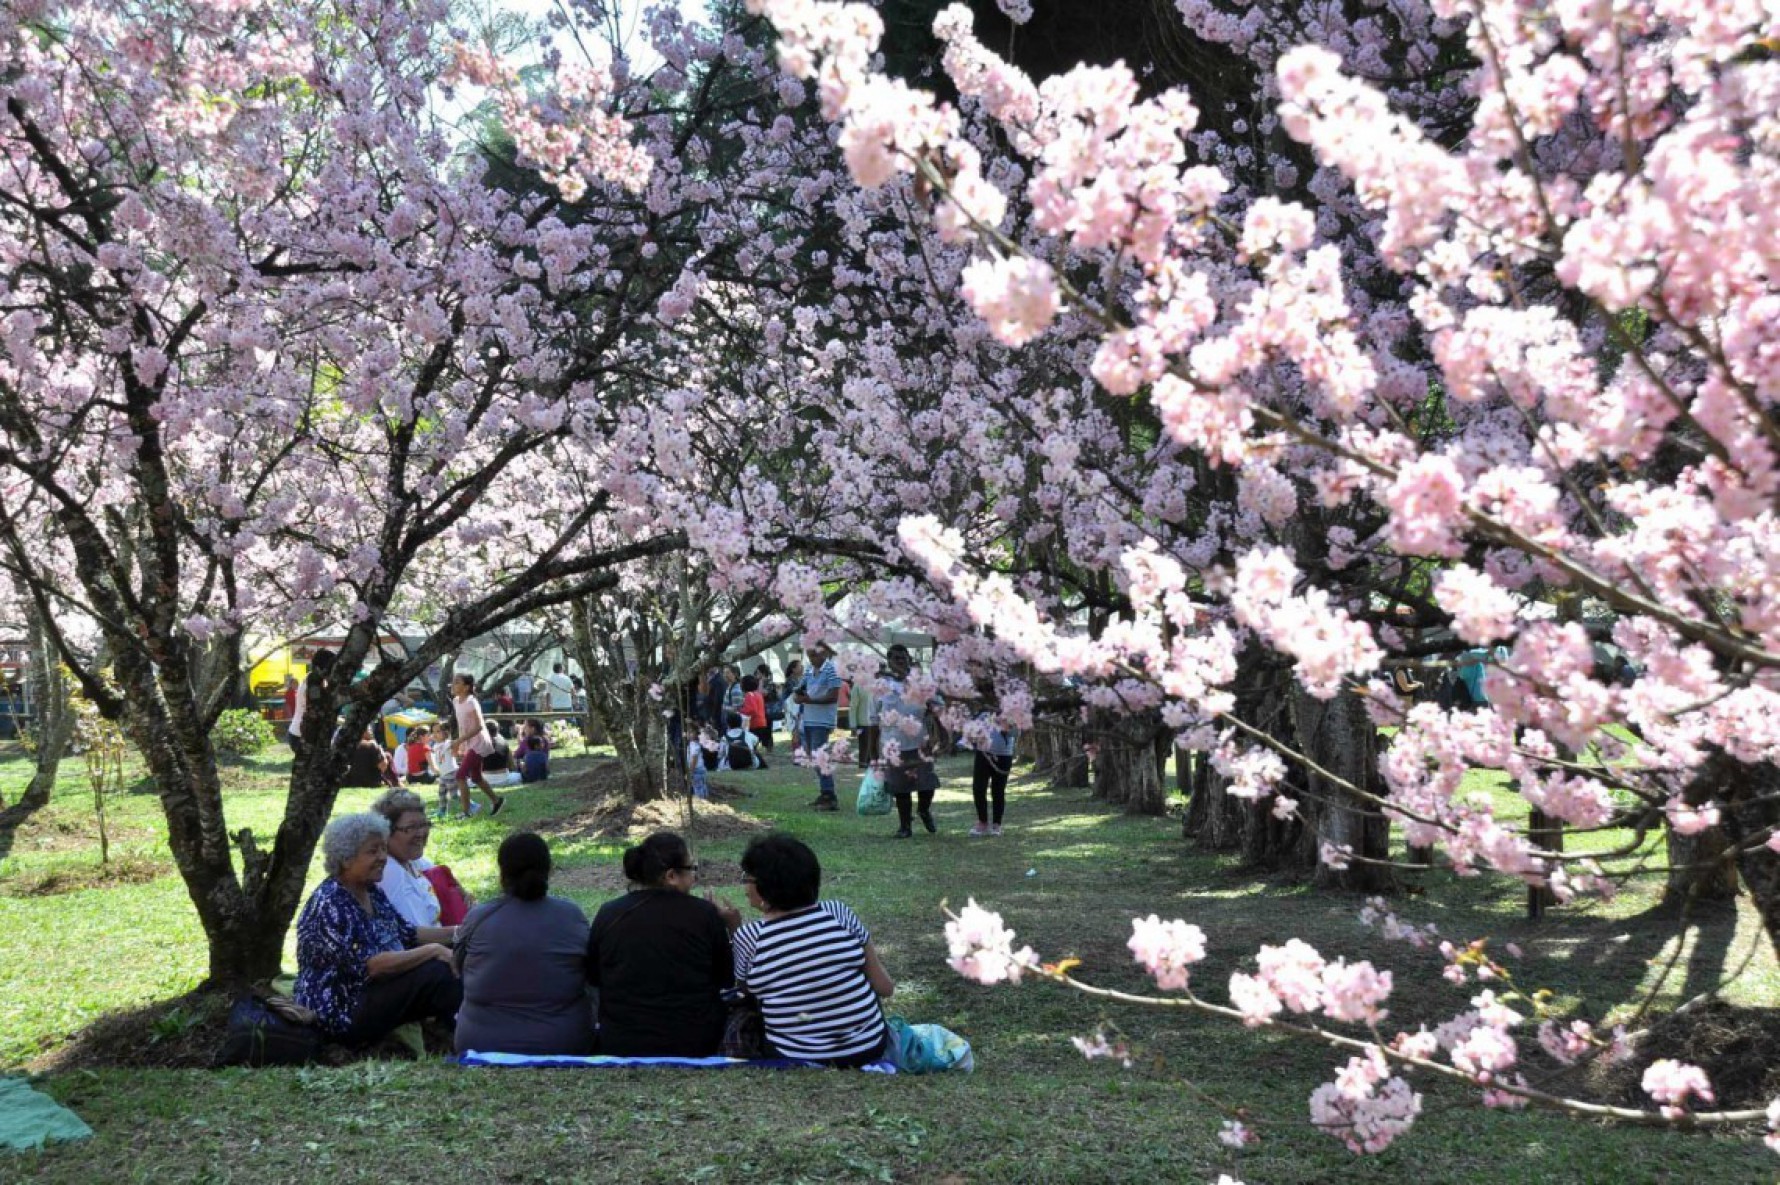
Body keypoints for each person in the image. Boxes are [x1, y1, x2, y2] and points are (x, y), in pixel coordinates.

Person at [294, 813, 462, 1047]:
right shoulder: (331, 903)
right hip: (342, 1010)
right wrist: (433, 950)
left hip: (374, 992)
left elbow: (407, 933)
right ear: (346, 859)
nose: (382, 857)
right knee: (437, 972)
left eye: (383, 849)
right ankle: (470, 1037)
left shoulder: (370, 890)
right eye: (373, 851)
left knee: (464, 952)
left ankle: (461, 1030)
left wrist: (461, 933)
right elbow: (372, 966)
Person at [729, 834, 893, 1067]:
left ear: (764, 887)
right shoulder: (838, 913)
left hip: (794, 1053)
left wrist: (734, 930)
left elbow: (747, 992)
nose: (744, 885)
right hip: (869, 1046)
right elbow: (885, 987)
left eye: (747, 878)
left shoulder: (750, 937)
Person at [585, 832, 734, 1057]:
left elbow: (594, 976)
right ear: (671, 875)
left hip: (621, 1041)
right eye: (692, 869)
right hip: (696, 1042)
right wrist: (728, 927)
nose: (695, 876)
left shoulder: (609, 913)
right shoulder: (704, 915)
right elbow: (726, 978)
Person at [454, 832, 595, 1055]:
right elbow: (592, 974)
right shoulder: (571, 916)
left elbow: (459, 969)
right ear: (549, 869)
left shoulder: (478, 918)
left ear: (501, 873)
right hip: (563, 1042)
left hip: (481, 1044)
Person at [877, 644, 943, 838]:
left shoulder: (921, 682)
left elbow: (937, 707)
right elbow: (873, 719)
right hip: (893, 744)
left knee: (927, 784)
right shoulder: (882, 686)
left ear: (909, 659)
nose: (899, 662)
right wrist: (873, 750)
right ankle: (905, 825)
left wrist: (940, 734)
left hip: (920, 742)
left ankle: (924, 810)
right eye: (895, 659)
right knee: (901, 788)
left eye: (903, 658)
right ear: (889, 661)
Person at [372, 788, 457, 928]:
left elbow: (448, 883)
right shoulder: (390, 872)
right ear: (386, 833)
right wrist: (464, 932)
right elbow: (417, 935)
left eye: (424, 825)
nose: (421, 833)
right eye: (410, 828)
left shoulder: (413, 861)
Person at [795, 641, 842, 811]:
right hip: (808, 718)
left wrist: (810, 700)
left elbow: (833, 696)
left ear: (823, 653)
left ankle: (829, 795)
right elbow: (800, 688)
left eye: (814, 655)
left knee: (820, 756)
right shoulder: (808, 669)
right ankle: (825, 792)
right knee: (814, 757)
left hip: (822, 720)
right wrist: (798, 696)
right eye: (809, 655)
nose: (812, 659)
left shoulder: (831, 669)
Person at [451, 673, 505, 816]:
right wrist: (459, 743)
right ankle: (497, 801)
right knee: (476, 778)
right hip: (469, 744)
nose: (453, 684)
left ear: (466, 687)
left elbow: (479, 727)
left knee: (460, 775)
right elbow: (462, 725)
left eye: (457, 682)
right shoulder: (456, 701)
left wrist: (459, 741)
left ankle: (467, 811)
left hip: (479, 744)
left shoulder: (471, 702)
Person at [970, 715, 1018, 837]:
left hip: (1004, 755)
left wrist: (1006, 725)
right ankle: (982, 822)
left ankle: (997, 824)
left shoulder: (1012, 710)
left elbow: (1015, 733)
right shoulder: (984, 711)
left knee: (998, 790)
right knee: (978, 788)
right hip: (983, 753)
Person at [287, 649, 337, 752]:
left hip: (300, 733)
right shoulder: (313, 683)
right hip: (301, 735)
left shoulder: (313, 678)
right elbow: (316, 706)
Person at [739, 676, 771, 753]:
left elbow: (752, 709)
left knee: (751, 744)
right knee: (755, 744)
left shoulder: (749, 695)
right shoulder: (758, 694)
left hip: (754, 724)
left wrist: (741, 710)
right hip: (762, 722)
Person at [482, 720, 518, 786]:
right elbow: (512, 766)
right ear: (497, 730)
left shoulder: (478, 745)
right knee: (518, 776)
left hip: (484, 778)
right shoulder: (504, 743)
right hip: (504, 778)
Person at [517, 719, 551, 784]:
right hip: (542, 774)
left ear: (532, 728)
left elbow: (516, 755)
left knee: (519, 762)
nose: (524, 729)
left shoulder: (526, 741)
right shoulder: (545, 740)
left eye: (525, 727)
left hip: (529, 775)